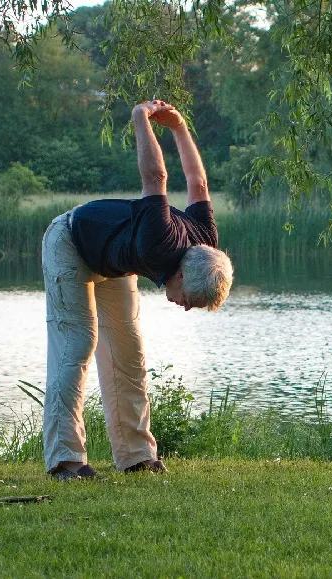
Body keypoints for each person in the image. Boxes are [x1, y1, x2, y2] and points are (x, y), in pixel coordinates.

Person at [41, 99, 234, 480]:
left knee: (129, 353)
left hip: (114, 261)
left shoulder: (205, 241)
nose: (184, 308)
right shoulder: (159, 242)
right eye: (190, 302)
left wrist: (179, 127)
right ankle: (65, 460)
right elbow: (155, 179)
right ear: (181, 275)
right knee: (78, 344)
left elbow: (198, 183)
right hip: (70, 243)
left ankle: (137, 456)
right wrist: (140, 119)